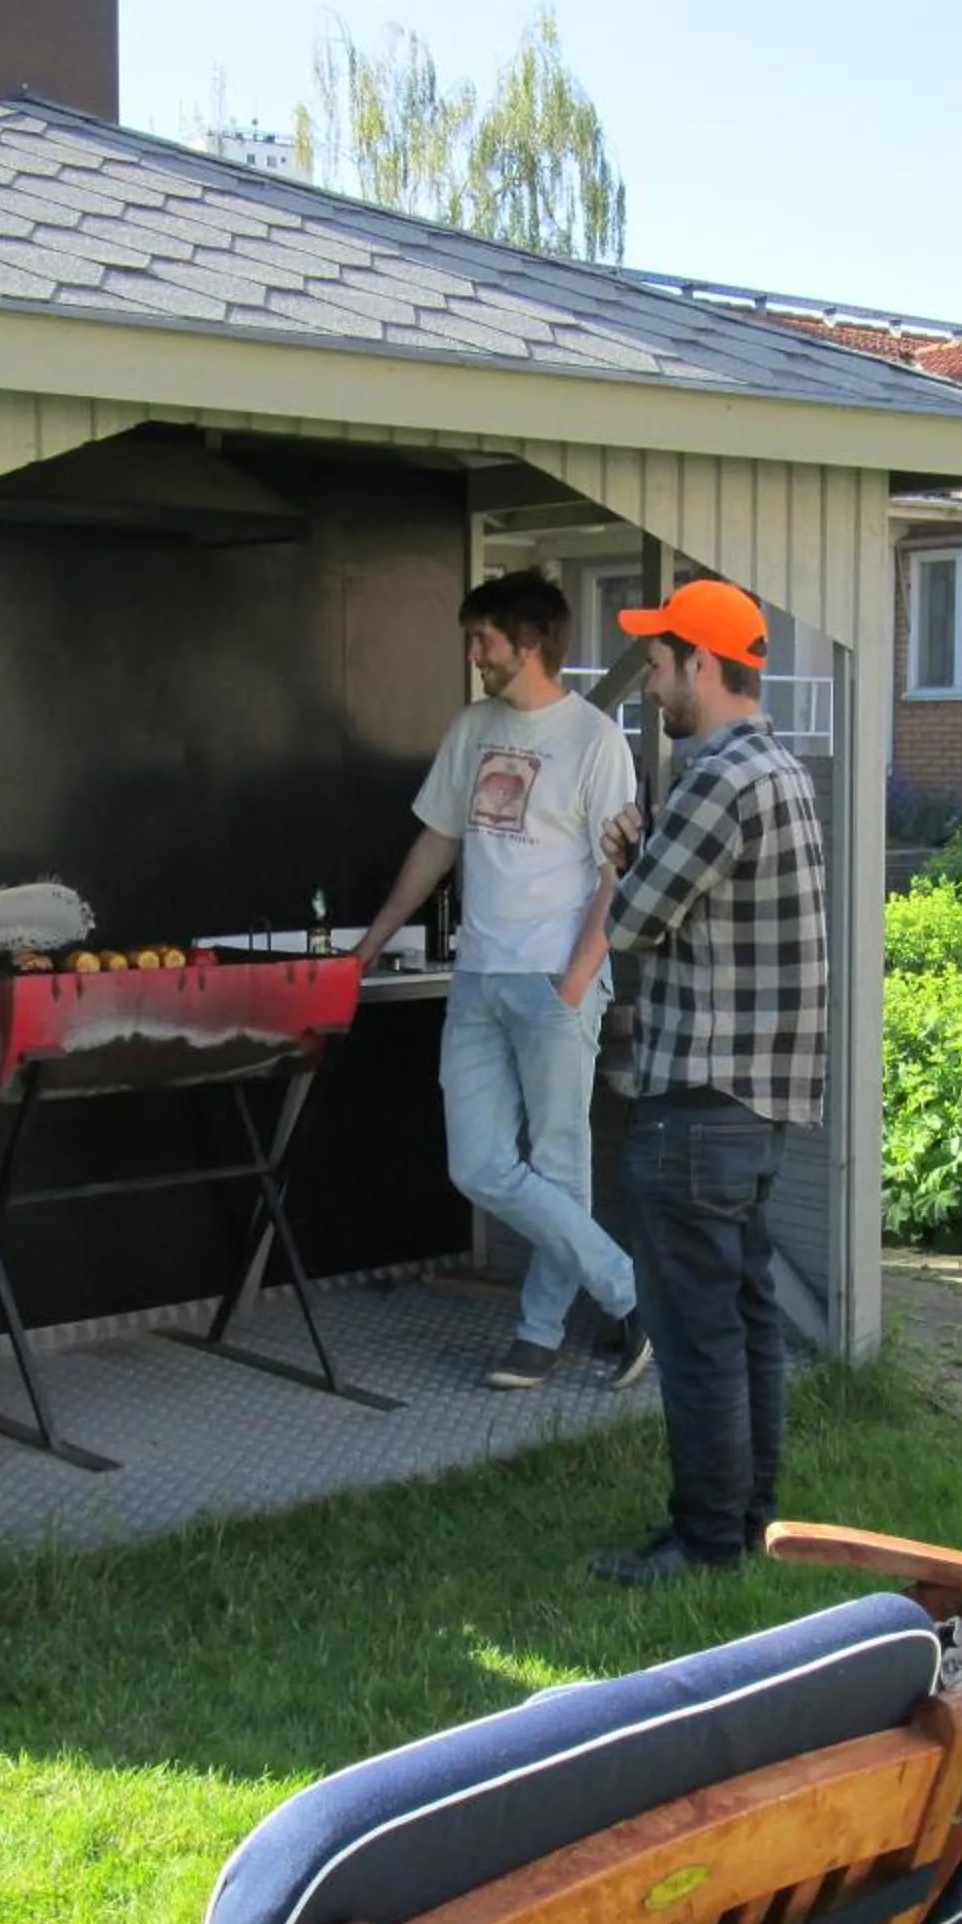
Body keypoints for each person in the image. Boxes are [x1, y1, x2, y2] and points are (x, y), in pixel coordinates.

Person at [357, 568, 652, 1392]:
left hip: (556, 977)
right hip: (479, 976)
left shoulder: (595, 740)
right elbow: (436, 842)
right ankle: (627, 1290)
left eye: (482, 640)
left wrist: (576, 981)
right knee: (478, 1165)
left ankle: (538, 1334)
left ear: (526, 644)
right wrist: (372, 942)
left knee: (559, 1164)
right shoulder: (472, 727)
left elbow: (616, 876)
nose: (473, 653)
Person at [588, 578, 829, 1587]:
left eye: (658, 663)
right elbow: (711, 908)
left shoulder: (716, 778)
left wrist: (623, 858)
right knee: (745, 1322)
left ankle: (703, 1540)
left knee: (695, 1337)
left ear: (701, 664)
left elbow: (633, 922)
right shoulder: (781, 771)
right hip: (757, 1107)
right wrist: (652, 856)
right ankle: (749, 1521)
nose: (650, 684)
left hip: (695, 1103)